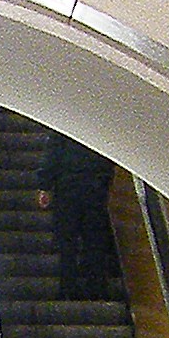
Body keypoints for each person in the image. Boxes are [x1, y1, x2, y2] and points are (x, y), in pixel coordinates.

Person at [35, 129, 117, 301]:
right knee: (94, 240)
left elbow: (53, 152)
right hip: (96, 188)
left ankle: (68, 289)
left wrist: (45, 185)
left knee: (67, 241)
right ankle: (96, 289)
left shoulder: (66, 124)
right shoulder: (101, 125)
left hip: (68, 188)